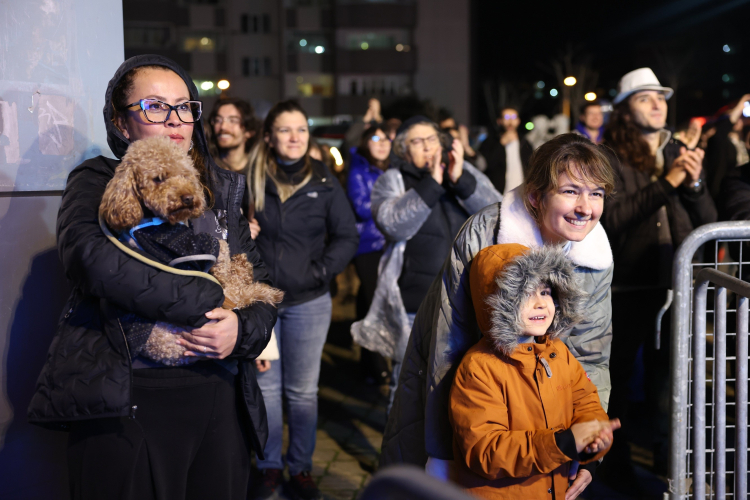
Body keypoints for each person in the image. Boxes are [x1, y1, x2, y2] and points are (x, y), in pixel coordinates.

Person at [27, 55, 277, 500]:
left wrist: (240, 330)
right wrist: (206, 297)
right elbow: (90, 260)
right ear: (121, 123)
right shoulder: (99, 180)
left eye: (184, 106)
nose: (175, 119)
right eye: (155, 106)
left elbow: (258, 282)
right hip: (129, 397)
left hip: (220, 396)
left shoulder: (219, 188)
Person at [381, 134, 616, 497]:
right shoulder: (485, 233)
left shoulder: (594, 254)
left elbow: (591, 355)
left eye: (596, 193)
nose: (586, 208)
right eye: (571, 191)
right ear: (535, 196)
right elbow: (448, 346)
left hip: (545, 432)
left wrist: (587, 452)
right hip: (477, 407)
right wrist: (443, 456)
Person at [600, 67, 717, 484]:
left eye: (660, 97)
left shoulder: (675, 152)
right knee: (616, 380)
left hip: (676, 286)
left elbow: (708, 220)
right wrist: (669, 181)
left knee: (669, 382)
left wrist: (695, 182)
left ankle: (669, 465)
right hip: (627, 286)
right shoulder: (609, 156)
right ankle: (614, 466)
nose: (657, 104)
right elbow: (614, 219)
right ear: (624, 110)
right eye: (644, 97)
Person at [247, 100, 359, 500]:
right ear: (269, 136)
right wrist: (244, 231)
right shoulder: (251, 179)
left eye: (301, 129)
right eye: (285, 129)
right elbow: (230, 239)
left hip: (309, 302)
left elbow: (347, 236)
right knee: (266, 388)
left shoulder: (324, 180)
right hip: (263, 303)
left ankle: (300, 468)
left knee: (302, 392)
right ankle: (268, 466)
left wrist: (320, 272)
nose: (294, 137)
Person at [351, 116, 501, 412]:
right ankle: (400, 443)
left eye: (432, 139)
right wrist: (432, 183)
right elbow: (394, 224)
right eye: (417, 142)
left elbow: (496, 214)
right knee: (408, 388)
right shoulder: (392, 179)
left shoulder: (462, 172)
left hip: (463, 301)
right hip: (414, 303)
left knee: (460, 386)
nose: (427, 147)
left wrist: (460, 180)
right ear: (403, 150)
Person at [450, 244, 619, 499]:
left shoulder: (558, 352)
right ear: (499, 302)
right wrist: (563, 444)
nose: (540, 303)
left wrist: (593, 441)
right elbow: (484, 450)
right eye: (526, 294)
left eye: (546, 292)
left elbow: (586, 403)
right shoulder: (480, 367)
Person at [347, 124, 392, 384]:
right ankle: (378, 366)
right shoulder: (359, 169)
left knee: (367, 302)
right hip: (368, 245)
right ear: (366, 142)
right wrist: (393, 205)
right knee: (375, 304)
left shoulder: (390, 168)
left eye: (386, 138)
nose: (382, 142)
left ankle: (367, 364)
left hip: (386, 243)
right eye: (376, 138)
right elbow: (361, 206)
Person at [479, 107, 534, 195]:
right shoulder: (490, 142)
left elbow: (532, 166)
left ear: (518, 121)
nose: (510, 121)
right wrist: (501, 144)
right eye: (507, 117)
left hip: (521, 193)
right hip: (498, 193)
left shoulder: (524, 142)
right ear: (499, 121)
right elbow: (485, 165)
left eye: (514, 117)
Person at [705, 94, 750, 199]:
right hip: (724, 192)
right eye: (735, 116)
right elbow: (721, 132)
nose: (738, 119)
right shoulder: (720, 141)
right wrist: (739, 106)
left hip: (744, 187)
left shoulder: (742, 142)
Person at [208, 97, 259, 175]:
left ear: (249, 131)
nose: (223, 127)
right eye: (218, 120)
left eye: (232, 121)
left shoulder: (259, 171)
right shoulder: (207, 168)